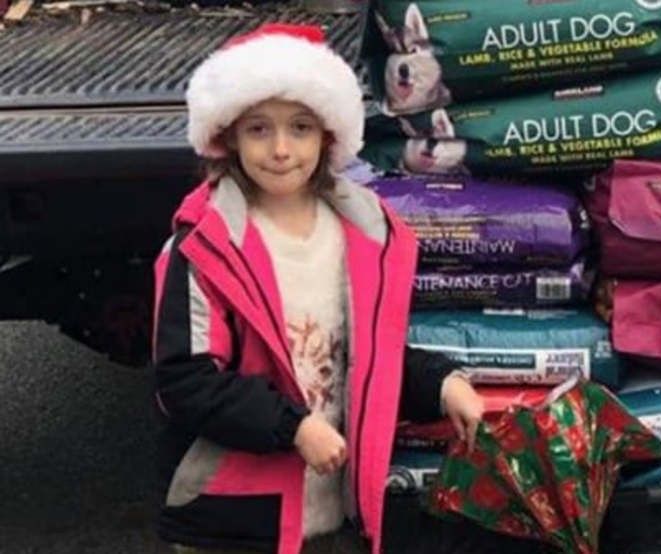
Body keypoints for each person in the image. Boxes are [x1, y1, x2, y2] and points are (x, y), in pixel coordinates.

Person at [150, 24, 484, 554]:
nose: (281, 149)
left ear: (328, 134)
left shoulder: (363, 233)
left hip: (336, 514)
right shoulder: (206, 247)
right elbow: (186, 382)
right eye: (259, 129)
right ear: (229, 136)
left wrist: (443, 385)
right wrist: (295, 428)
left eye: (300, 127)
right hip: (234, 522)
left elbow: (366, 358)